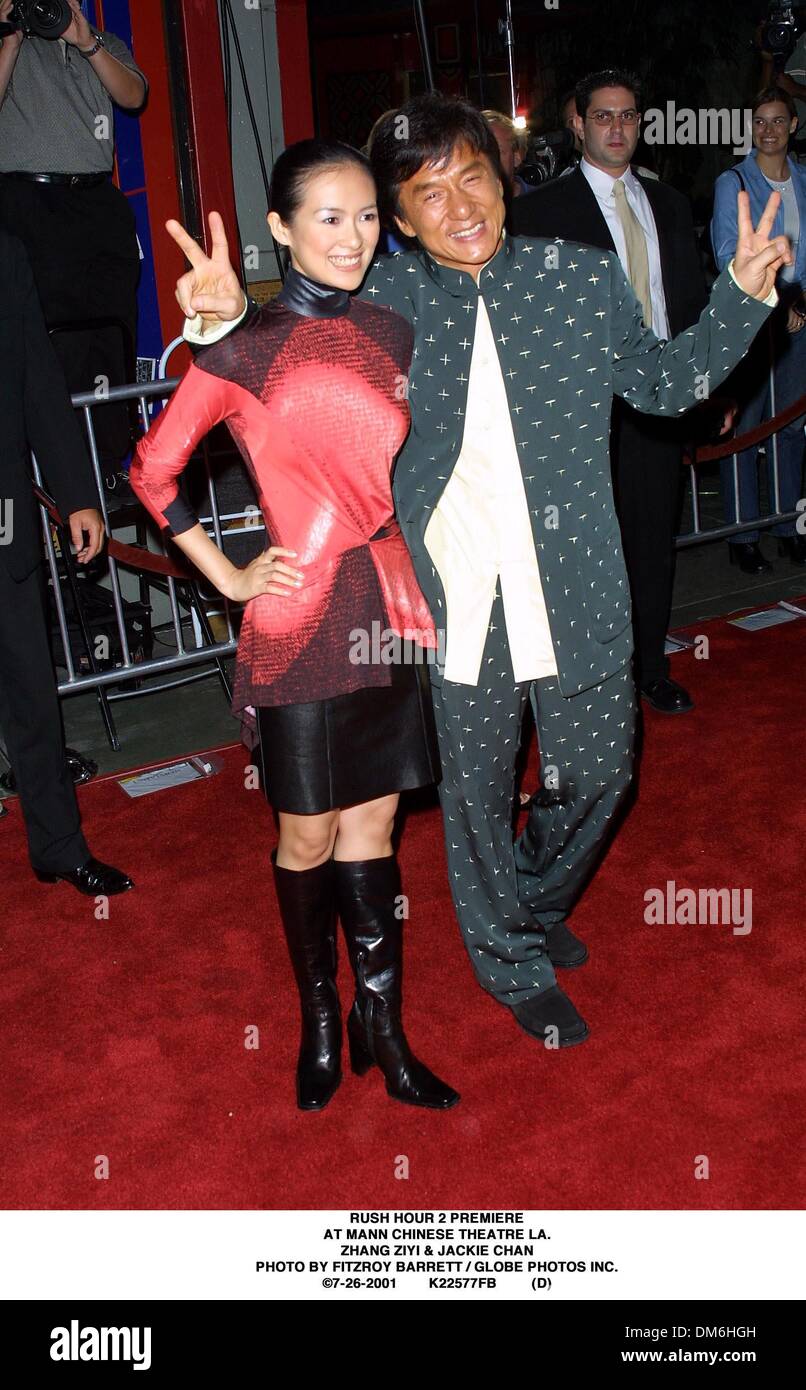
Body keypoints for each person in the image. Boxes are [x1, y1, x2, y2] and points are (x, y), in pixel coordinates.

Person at [173, 94, 786, 1054]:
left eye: (472, 176)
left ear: (502, 179)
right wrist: (220, 327)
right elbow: (286, 356)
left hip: (576, 579)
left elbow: (665, 386)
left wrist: (740, 297)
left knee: (600, 774)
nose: (458, 205)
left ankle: (530, 899)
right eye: (425, 192)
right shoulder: (386, 303)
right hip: (453, 598)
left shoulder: (580, 277)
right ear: (400, 222)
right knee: (475, 793)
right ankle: (508, 957)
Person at [130, 141, 458, 1114]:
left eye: (365, 216)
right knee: (306, 833)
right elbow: (151, 472)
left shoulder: (393, 330)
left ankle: (383, 1025)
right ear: (280, 228)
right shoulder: (236, 352)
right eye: (326, 217)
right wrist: (227, 572)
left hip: (382, 602)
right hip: (297, 613)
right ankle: (320, 1017)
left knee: (375, 824)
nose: (352, 236)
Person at [513, 68, 707, 714]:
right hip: (580, 409)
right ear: (578, 123)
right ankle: (594, 682)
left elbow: (687, 301)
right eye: (604, 116)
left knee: (653, 541)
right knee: (586, 554)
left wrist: (705, 381)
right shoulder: (538, 212)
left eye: (628, 116)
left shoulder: (671, 205)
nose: (617, 128)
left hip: (656, 398)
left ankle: (651, 667)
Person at [0, 227, 133, 898]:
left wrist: (78, 495)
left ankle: (57, 845)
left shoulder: (6, 249)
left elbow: (36, 378)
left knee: (30, 694)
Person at [0, 0, 147, 499]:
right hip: (27, 201)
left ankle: (107, 462)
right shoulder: (7, 41)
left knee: (108, 333)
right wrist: (9, 39)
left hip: (96, 201)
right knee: (44, 342)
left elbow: (134, 94)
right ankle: (54, 477)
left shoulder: (98, 39)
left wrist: (86, 42)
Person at [711, 86, 806, 571]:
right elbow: (729, 250)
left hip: (798, 319)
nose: (767, 130)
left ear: (792, 125)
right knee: (746, 427)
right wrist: (772, 301)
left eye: (776, 121)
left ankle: (788, 524)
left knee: (789, 426)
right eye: (759, 121)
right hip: (752, 318)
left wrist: (799, 301)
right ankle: (741, 535)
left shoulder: (805, 180)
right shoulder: (736, 182)